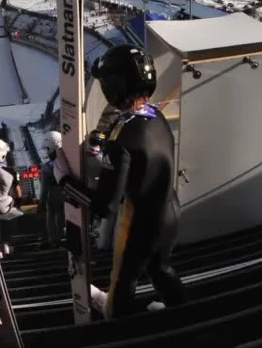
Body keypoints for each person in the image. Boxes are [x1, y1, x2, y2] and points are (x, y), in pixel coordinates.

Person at [67, 44, 188, 319]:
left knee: (122, 286)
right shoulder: (155, 115)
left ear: (115, 86)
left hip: (140, 225)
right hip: (170, 213)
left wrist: (65, 182)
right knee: (161, 269)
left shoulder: (121, 138)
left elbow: (105, 206)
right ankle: (185, 316)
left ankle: (119, 329)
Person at [39, 131, 65, 248]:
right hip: (68, 193)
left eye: (48, 149)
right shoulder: (69, 161)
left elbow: (44, 189)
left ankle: (54, 239)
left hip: (53, 195)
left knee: (52, 216)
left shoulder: (47, 167)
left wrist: (41, 203)